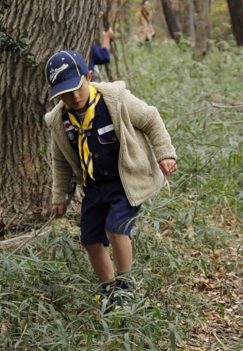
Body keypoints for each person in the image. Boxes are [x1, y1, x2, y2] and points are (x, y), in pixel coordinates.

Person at [44, 50, 177, 306]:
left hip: (125, 182)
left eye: (77, 88)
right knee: (90, 239)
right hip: (93, 186)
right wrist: (60, 195)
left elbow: (150, 119)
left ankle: (125, 287)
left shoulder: (114, 100)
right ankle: (108, 290)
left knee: (115, 230)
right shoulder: (59, 121)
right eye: (64, 94)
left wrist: (165, 153)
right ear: (53, 92)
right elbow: (60, 162)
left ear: (89, 76)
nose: (74, 97)